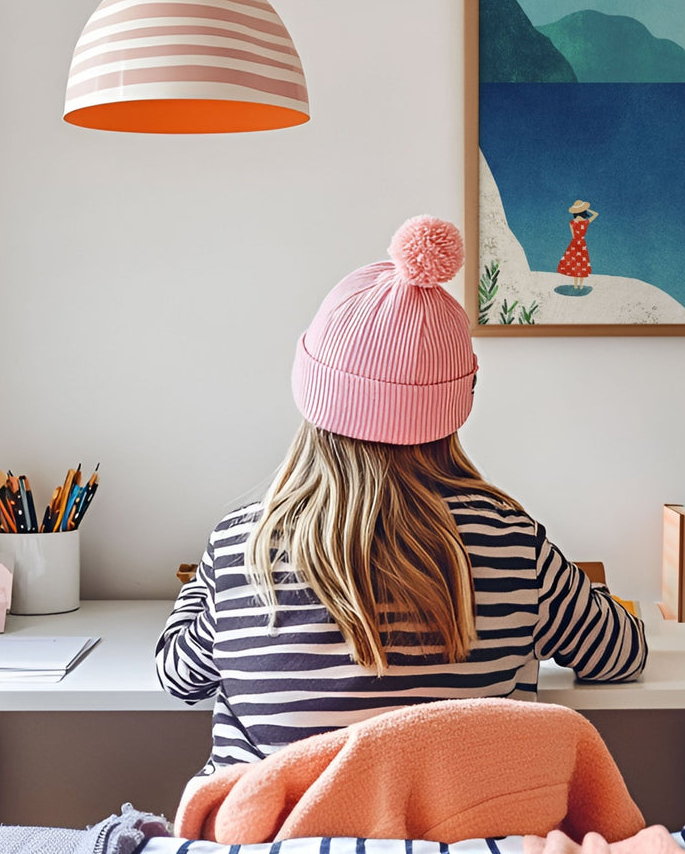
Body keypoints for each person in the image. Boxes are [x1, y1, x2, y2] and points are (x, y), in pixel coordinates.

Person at [156, 215, 646, 773]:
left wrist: (203, 586)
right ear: (456, 400)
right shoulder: (511, 539)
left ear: (312, 392)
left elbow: (180, 678)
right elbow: (621, 654)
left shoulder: (244, 541)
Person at [556, 200, 599, 291]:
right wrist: (588, 209)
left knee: (575, 264)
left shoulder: (572, 222)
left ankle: (575, 285)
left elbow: (573, 235)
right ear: (584, 211)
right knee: (582, 264)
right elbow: (596, 214)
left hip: (574, 243)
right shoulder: (585, 222)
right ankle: (580, 285)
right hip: (582, 244)